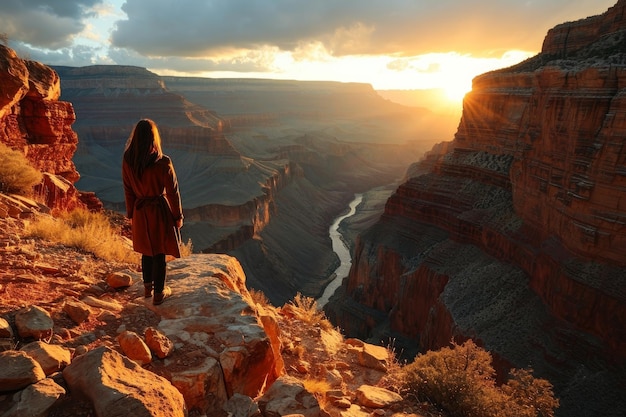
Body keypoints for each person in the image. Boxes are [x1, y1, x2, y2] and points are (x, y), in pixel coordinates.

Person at [122, 119, 183, 305]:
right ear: (153, 137)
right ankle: (159, 293)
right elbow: (172, 192)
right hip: (158, 210)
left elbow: (127, 189)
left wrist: (131, 213)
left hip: (140, 211)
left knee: (146, 251)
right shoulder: (162, 162)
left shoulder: (128, 159)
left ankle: (147, 288)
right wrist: (178, 215)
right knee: (160, 253)